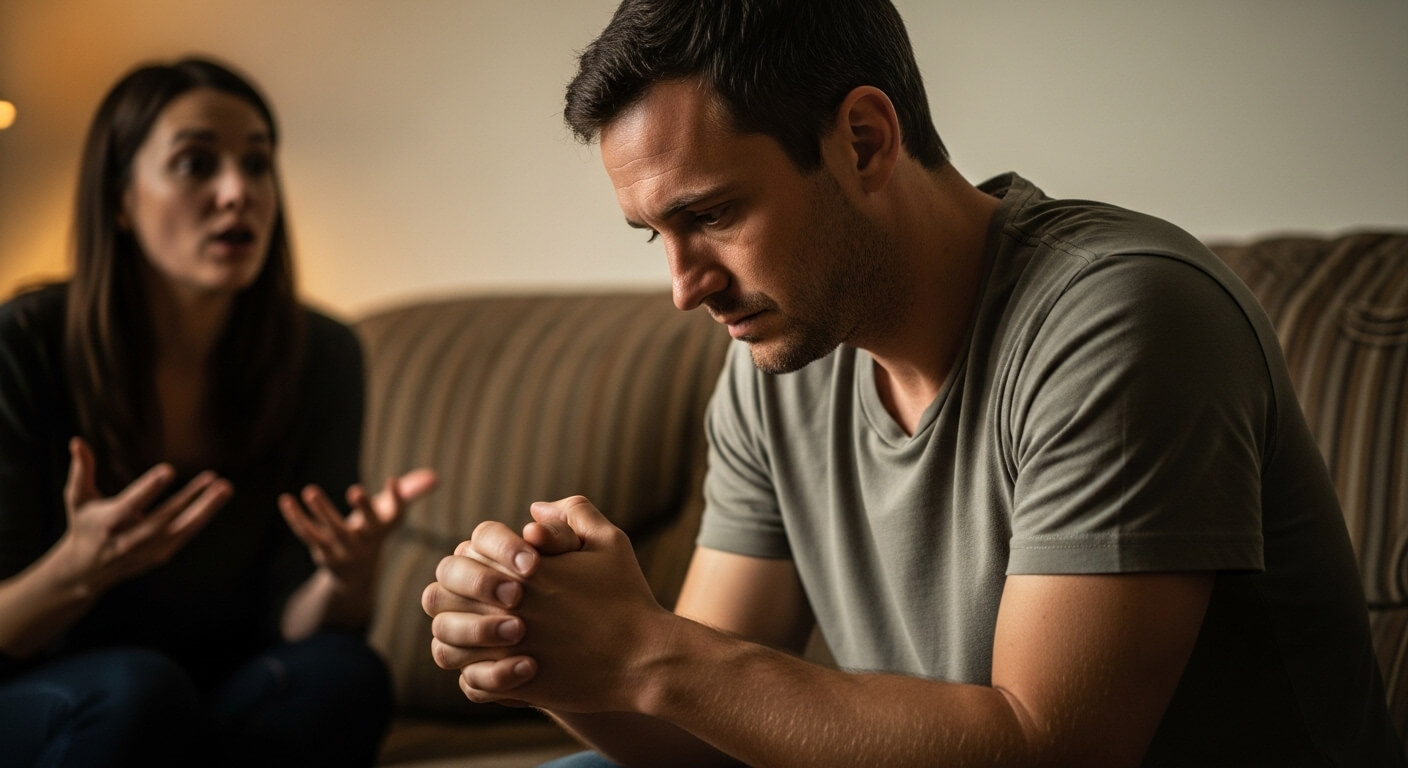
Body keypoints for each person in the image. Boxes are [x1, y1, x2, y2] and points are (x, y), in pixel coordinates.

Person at [421, 1, 1402, 766]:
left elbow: (1051, 747)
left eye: (712, 215)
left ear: (863, 139)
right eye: (656, 236)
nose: (684, 289)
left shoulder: (1120, 318)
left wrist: (644, 651)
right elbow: (698, 727)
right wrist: (543, 648)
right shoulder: (775, 365)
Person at [0, 57, 436, 767]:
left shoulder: (322, 354)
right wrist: (78, 568)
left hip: (218, 690)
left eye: (257, 165)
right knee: (138, 694)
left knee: (345, 677)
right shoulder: (22, 344)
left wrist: (346, 579)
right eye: (195, 164)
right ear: (119, 198)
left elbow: (298, 624)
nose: (238, 193)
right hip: (47, 687)